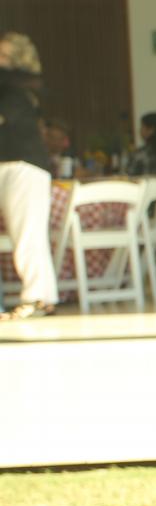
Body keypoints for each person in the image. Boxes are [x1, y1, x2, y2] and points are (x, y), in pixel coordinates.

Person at [0, 30, 56, 319]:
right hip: (13, 164)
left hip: (24, 166)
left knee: (28, 234)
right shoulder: (18, 86)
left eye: (3, 54)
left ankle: (38, 298)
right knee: (25, 233)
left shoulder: (17, 87)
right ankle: (38, 298)